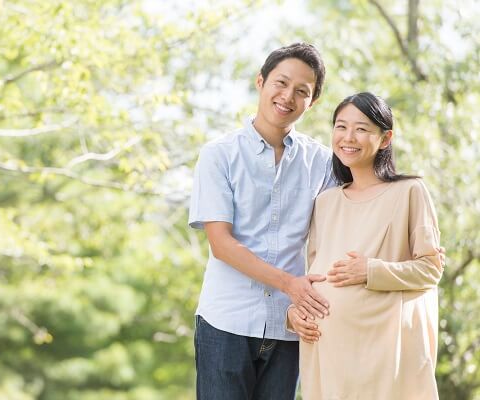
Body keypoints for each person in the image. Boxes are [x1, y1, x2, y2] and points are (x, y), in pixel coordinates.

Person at [188, 42, 334, 400]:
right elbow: (221, 245)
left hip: (290, 327)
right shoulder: (219, 155)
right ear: (261, 81)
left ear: (312, 102)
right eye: (281, 83)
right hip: (226, 322)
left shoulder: (323, 163)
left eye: (302, 91)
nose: (288, 97)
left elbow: (340, 231)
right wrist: (290, 285)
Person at [288, 92, 442, 399]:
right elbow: (315, 276)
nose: (348, 137)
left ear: (385, 139)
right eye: (341, 126)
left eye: (361, 129)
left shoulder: (409, 191)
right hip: (328, 352)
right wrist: (294, 313)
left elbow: (430, 269)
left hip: (383, 355)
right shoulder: (325, 202)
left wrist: (370, 270)